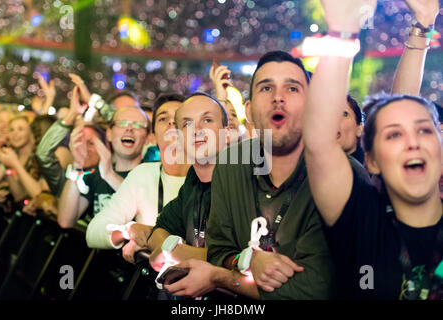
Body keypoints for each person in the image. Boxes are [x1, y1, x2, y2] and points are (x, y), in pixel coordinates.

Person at [167, 51, 337, 300]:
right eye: (266, 88)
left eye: (292, 89)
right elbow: (217, 251)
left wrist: (222, 278)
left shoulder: (341, 177)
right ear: (249, 110)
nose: (278, 98)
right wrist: (247, 260)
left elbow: (313, 289)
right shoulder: (230, 165)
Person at [303, 0, 442, 300]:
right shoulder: (362, 218)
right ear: (372, 161)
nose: (412, 141)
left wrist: (424, 22)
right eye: (394, 135)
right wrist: (342, 30)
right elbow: (319, 143)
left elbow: (402, 105)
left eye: (424, 129)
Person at [144, 92, 230, 298]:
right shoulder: (193, 180)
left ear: (228, 134)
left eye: (207, 120)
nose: (197, 130)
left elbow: (235, 259)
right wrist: (170, 247)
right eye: (187, 124)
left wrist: (173, 252)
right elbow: (159, 230)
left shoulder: (244, 179)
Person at [86, 93, 190, 263]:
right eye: (163, 119)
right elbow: (93, 232)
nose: (171, 123)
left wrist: (154, 239)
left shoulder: (210, 177)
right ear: (153, 136)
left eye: (178, 117)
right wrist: (129, 231)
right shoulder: (144, 175)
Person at [57, 105, 149, 228]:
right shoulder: (95, 176)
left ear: (148, 138)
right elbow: (65, 221)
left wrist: (109, 175)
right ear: (109, 134)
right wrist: (77, 165)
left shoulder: (152, 176)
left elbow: (146, 214)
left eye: (138, 125)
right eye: (122, 123)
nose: (129, 129)